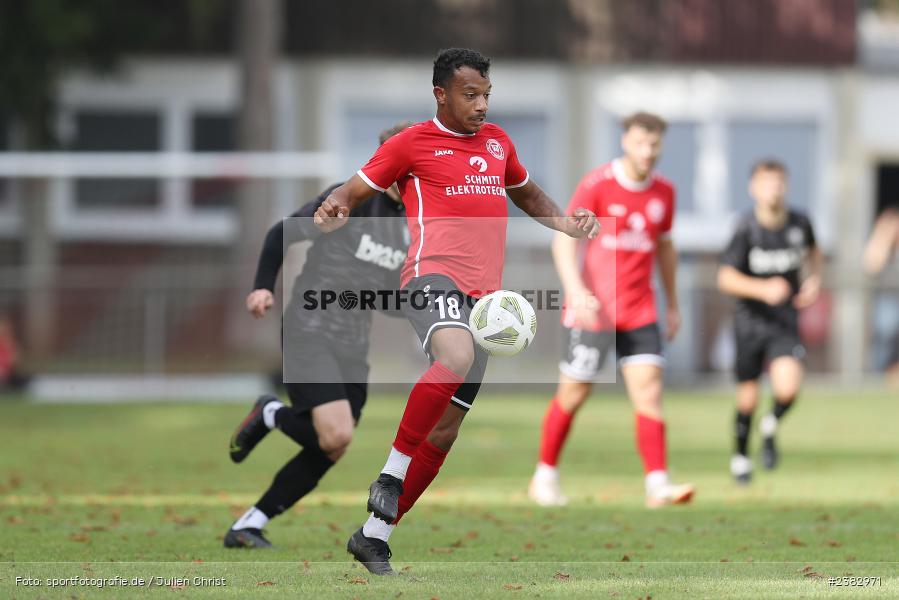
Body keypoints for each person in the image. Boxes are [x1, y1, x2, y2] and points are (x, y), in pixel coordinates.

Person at [313, 48, 599, 575]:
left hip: (484, 300)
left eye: (487, 94)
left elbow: (529, 195)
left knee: (445, 431)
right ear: (441, 94)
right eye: (471, 95)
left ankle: (374, 537)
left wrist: (567, 224)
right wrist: (336, 208)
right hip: (430, 275)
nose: (482, 105)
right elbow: (352, 191)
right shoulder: (412, 143)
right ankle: (392, 474)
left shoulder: (499, 144)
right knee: (456, 352)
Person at [223, 123, 412, 549]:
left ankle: (248, 525)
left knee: (331, 446)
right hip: (311, 325)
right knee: (337, 434)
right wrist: (261, 287)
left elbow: (384, 297)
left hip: (352, 337)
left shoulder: (414, 222)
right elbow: (281, 233)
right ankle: (271, 413)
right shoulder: (349, 201)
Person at [528, 112, 694, 509]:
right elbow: (565, 240)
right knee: (574, 393)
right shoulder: (597, 185)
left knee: (649, 392)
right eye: (640, 142)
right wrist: (577, 290)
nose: (648, 151)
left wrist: (671, 303)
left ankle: (658, 485)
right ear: (625, 141)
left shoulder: (664, 193)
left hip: (640, 311)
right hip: (594, 312)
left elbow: (665, 249)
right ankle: (544, 476)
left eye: (654, 144)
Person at [717, 159, 822, 484]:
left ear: (786, 185)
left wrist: (813, 280)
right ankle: (740, 459)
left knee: (788, 388)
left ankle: (771, 424)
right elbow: (725, 277)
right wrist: (762, 288)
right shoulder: (745, 227)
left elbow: (814, 253)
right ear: (753, 188)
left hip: (784, 322)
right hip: (750, 321)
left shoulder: (800, 222)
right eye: (766, 182)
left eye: (778, 182)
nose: (773, 189)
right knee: (747, 398)